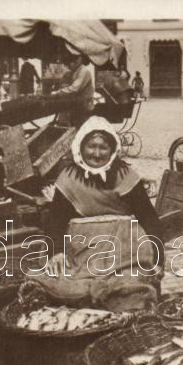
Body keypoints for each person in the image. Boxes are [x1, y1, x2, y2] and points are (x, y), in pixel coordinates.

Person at [30, 116, 165, 311]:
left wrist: (158, 258)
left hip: (124, 252)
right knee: (62, 285)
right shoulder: (68, 178)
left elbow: (149, 218)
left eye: (103, 147)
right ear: (81, 147)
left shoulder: (125, 176)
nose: (97, 153)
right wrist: (56, 252)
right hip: (82, 255)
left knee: (131, 287)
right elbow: (55, 221)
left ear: (112, 150)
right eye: (91, 146)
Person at [51, 53, 94, 127]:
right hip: (76, 105)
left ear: (79, 60)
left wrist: (58, 92)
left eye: (73, 61)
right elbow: (64, 84)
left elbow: (75, 88)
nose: (70, 64)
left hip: (84, 106)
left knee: (80, 127)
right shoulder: (73, 72)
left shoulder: (84, 71)